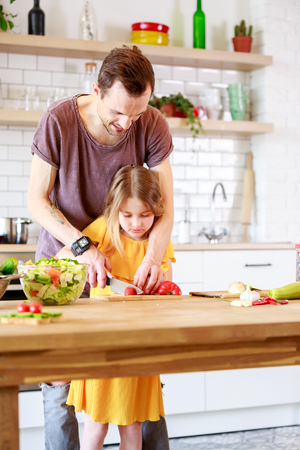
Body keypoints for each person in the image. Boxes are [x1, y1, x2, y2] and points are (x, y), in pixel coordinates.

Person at [27, 45, 174, 450]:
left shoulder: (152, 124)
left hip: (123, 266)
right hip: (66, 264)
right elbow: (36, 200)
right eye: (118, 113)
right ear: (96, 89)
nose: (128, 123)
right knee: (61, 386)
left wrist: (154, 257)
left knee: (141, 376)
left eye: (138, 112)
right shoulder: (59, 120)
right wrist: (82, 246)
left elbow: (167, 206)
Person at [57, 165, 175, 450]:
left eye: (146, 215)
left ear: (157, 211)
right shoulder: (104, 230)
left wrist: (158, 285)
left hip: (138, 344)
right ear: (114, 209)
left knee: (133, 426)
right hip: (103, 343)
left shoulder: (158, 242)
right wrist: (85, 258)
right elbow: (61, 256)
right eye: (128, 215)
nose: (136, 223)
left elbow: (168, 288)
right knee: (96, 425)